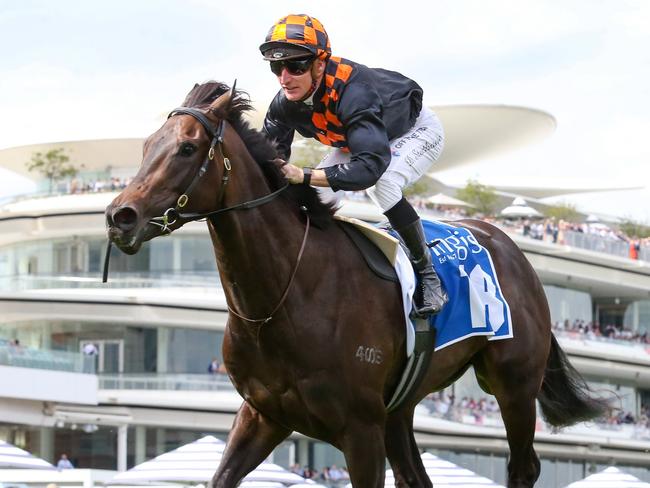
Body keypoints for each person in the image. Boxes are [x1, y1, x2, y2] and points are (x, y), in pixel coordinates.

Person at [259, 14, 447, 317]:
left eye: (295, 66)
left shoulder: (353, 91)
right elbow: (269, 158)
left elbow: (370, 168)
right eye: (276, 67)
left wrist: (304, 175)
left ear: (320, 63)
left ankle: (428, 274)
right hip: (358, 141)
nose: (284, 77)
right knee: (316, 200)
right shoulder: (283, 103)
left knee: (383, 184)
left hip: (414, 130)